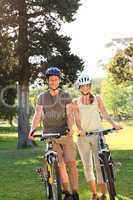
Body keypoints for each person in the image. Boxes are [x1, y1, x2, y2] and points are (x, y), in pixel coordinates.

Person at [28, 67, 79, 200]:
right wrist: (32, 129)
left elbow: (69, 114)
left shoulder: (66, 95)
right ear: (48, 81)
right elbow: (38, 115)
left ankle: (75, 193)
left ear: (59, 81)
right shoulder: (42, 97)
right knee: (60, 164)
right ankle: (66, 192)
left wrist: (70, 128)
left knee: (71, 162)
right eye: (51, 80)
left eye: (56, 80)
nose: (54, 82)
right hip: (50, 136)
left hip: (65, 134)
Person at [72, 73, 122, 200]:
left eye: (87, 86)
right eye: (82, 86)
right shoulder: (76, 102)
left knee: (100, 165)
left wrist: (113, 124)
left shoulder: (97, 99)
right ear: (79, 87)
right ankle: (94, 194)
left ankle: (103, 194)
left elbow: (104, 113)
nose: (85, 88)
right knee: (87, 166)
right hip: (83, 138)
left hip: (98, 136)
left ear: (90, 86)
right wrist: (80, 129)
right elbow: (76, 119)